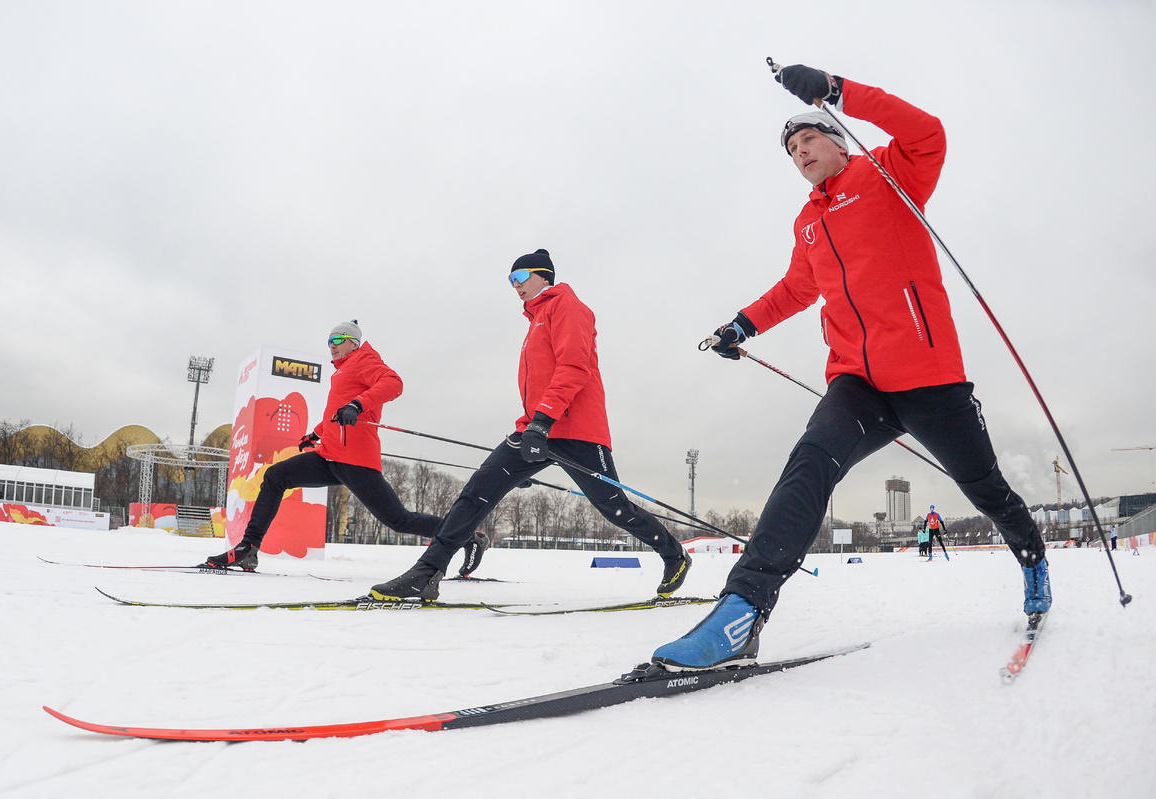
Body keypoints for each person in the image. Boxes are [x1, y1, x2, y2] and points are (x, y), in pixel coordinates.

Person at [651, 64, 1051, 671]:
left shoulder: (891, 173)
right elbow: (795, 287)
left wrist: (836, 89)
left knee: (983, 486)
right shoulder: (809, 221)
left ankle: (1032, 558)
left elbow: (929, 132)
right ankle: (742, 611)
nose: (799, 152)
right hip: (857, 383)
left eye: (808, 138)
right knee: (810, 463)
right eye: (790, 149)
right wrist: (743, 324)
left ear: (838, 139)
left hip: (928, 376)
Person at [368, 249, 691, 601]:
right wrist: (532, 431)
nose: (515, 286)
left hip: (574, 429)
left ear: (543, 276)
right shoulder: (536, 318)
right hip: (535, 428)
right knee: (476, 493)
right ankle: (426, 573)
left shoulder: (568, 306)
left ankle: (675, 554)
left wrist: (543, 420)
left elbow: (574, 368)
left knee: (616, 509)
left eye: (519, 278)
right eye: (510, 281)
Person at [203, 320, 442, 571]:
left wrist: (358, 405)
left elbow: (394, 383)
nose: (332, 346)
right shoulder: (343, 369)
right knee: (275, 476)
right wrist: (316, 434)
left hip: (354, 458)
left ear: (354, 342)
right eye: (329, 341)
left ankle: (465, 534)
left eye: (338, 340)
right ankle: (249, 548)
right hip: (329, 454)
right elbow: (336, 410)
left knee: (399, 520)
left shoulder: (364, 359)